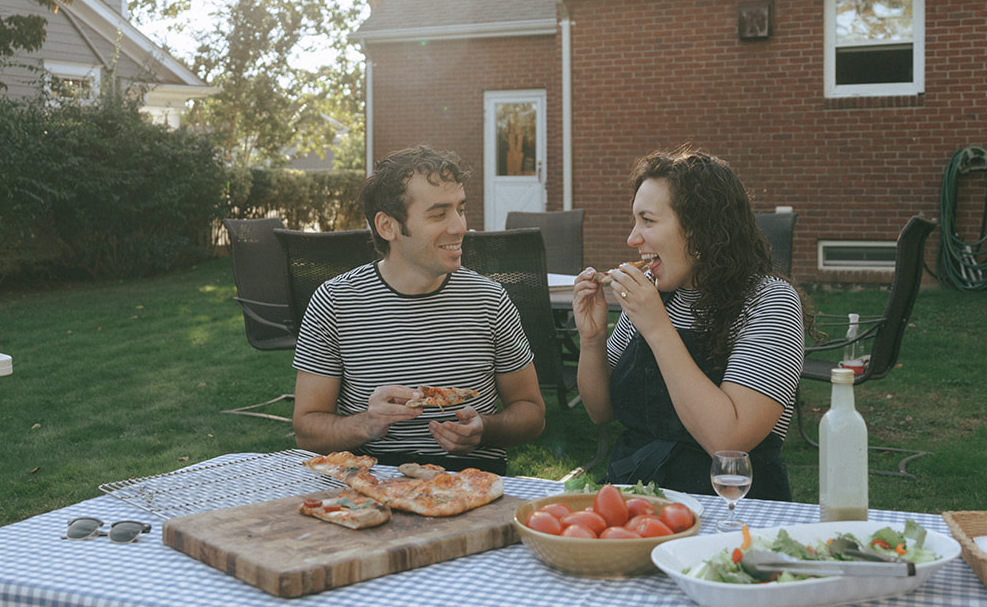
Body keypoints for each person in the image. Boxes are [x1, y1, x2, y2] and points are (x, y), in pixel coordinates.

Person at [292, 145, 547, 473]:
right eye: (439, 214)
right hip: (371, 483)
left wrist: (485, 429)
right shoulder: (335, 302)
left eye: (460, 209)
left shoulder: (490, 300)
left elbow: (532, 414)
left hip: (471, 482)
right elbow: (306, 428)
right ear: (387, 226)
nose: (459, 227)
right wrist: (367, 424)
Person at [572, 148, 803, 499]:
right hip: (633, 503)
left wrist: (657, 328)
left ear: (701, 227)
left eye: (647, 221)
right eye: (635, 221)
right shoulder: (652, 295)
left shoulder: (770, 301)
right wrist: (592, 338)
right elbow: (601, 410)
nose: (633, 239)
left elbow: (728, 441)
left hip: (729, 508)